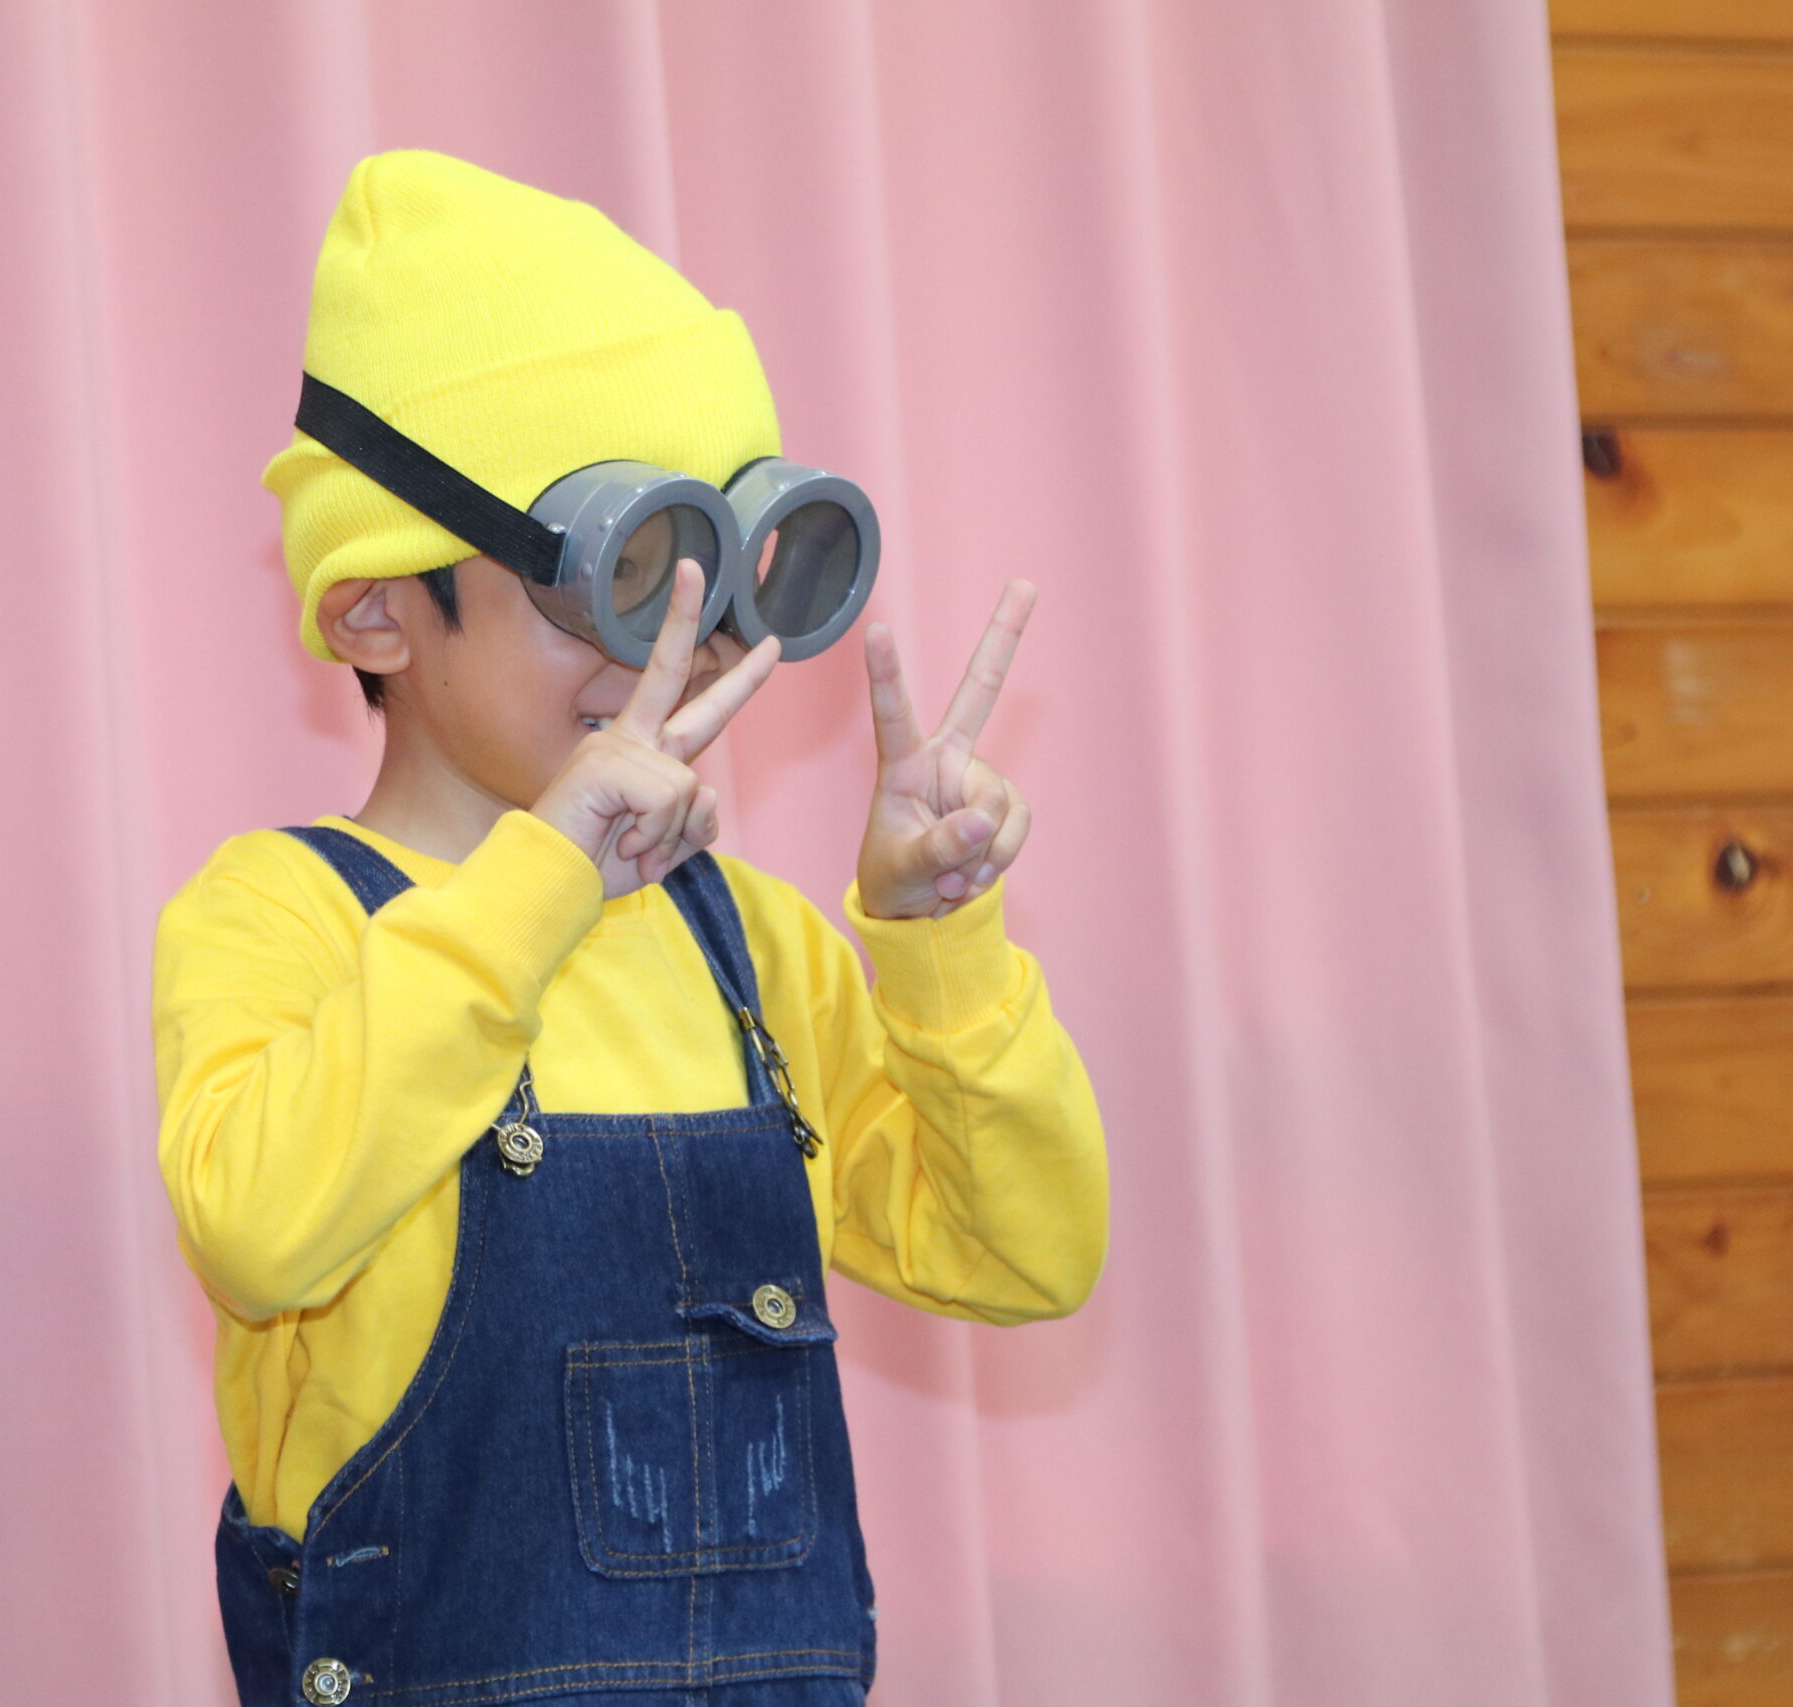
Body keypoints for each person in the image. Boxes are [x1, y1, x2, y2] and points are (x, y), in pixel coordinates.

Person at [153, 148, 1109, 1707]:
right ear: (377, 608)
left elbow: (1026, 1253)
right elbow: (261, 1230)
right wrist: (540, 883)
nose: (689, 651)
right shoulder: (278, 918)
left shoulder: (751, 951)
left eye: (728, 583)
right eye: (620, 578)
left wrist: (937, 946)